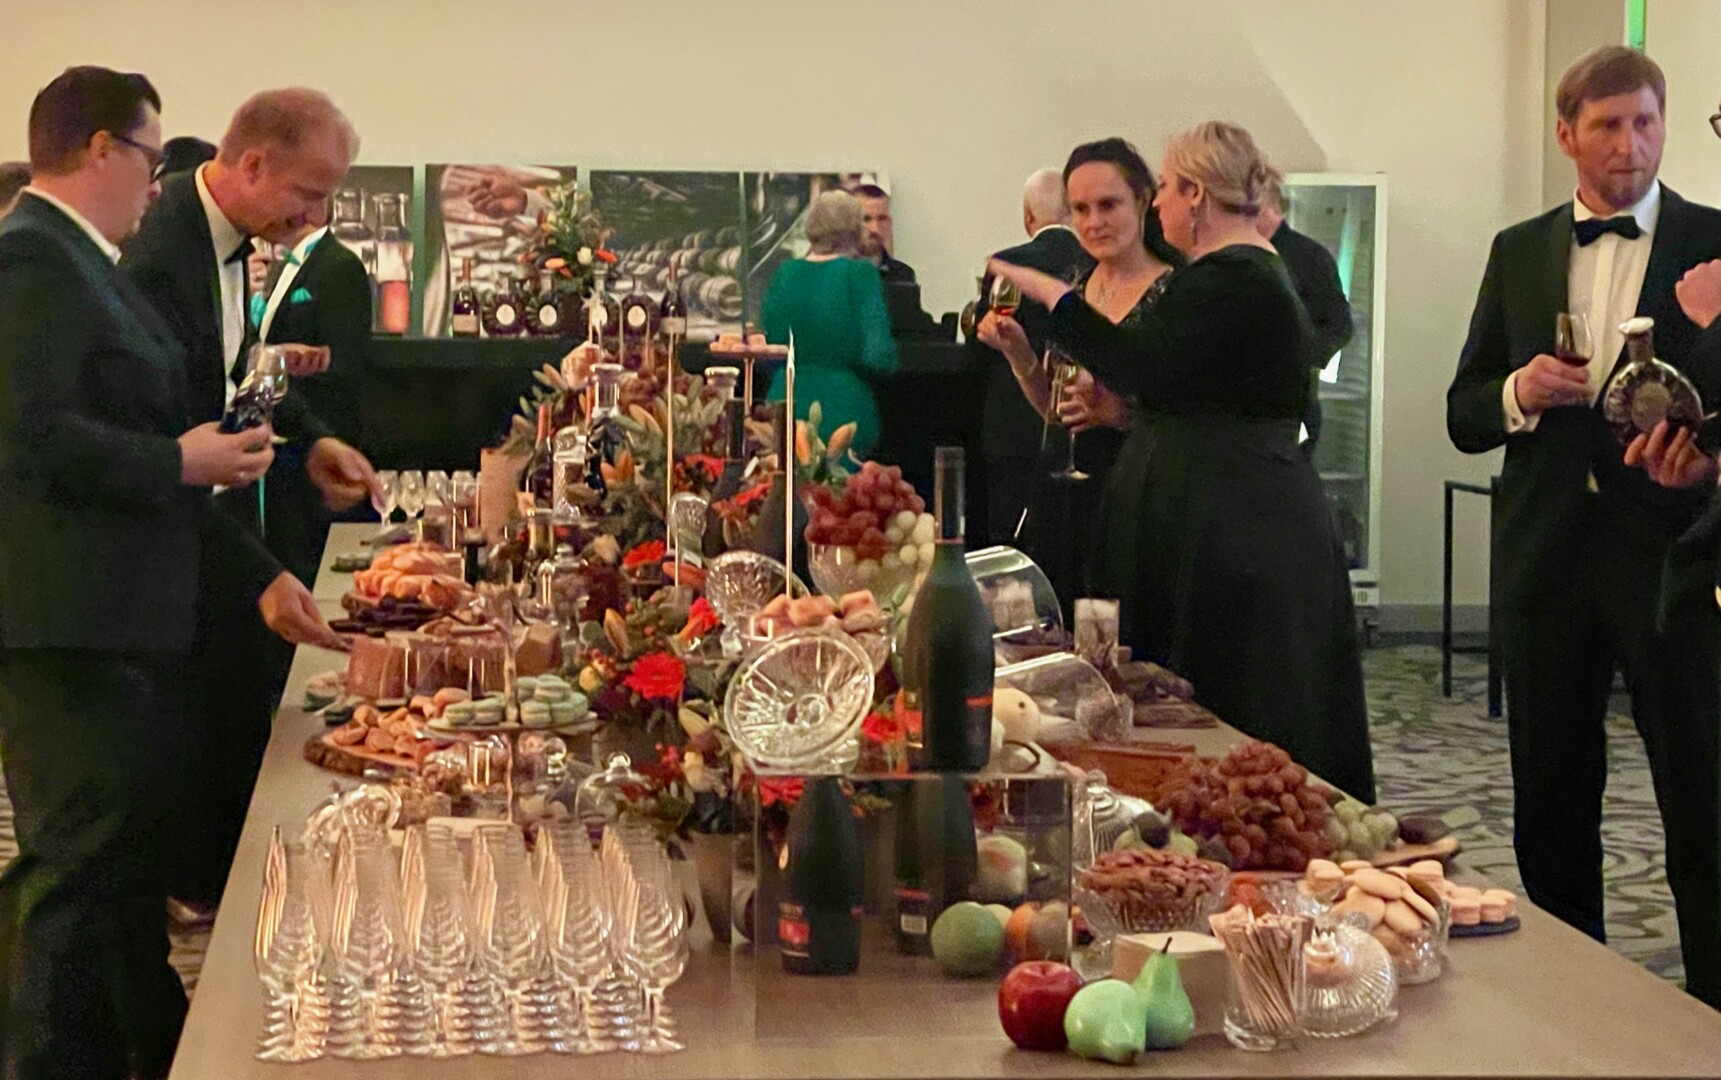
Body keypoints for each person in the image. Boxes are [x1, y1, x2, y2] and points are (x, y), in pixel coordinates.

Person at [0, 66, 340, 1080]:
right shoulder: (33, 259)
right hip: (70, 618)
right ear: (101, 148)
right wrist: (176, 462)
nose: (159, 183)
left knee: (112, 867)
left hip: (118, 610)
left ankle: (133, 1049)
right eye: (150, 159)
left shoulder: (84, 259)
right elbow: (27, 436)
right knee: (72, 874)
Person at [1447, 46, 1721, 1008]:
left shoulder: (1715, 241)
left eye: (1645, 122)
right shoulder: (1517, 250)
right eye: (1606, 125)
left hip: (1672, 562)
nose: (1629, 144)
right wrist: (1517, 393)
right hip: (1547, 560)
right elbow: (1463, 410)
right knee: (1550, 800)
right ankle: (1573, 1006)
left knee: (1701, 795)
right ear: (1565, 134)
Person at [990, 121, 1375, 802]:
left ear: (1195, 194)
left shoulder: (1235, 276)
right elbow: (1175, 383)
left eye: (1165, 187)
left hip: (1237, 527)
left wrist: (1055, 299)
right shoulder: (1233, 274)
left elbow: (1141, 364)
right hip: (1222, 511)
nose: (1161, 203)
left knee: (1237, 711)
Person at [121, 87, 380, 920]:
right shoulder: (160, 253)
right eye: (307, 193)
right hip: (163, 543)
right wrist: (257, 573)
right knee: (191, 732)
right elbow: (168, 436)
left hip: (217, 524)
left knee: (235, 707)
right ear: (254, 164)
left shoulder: (232, 240)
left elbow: (245, 370)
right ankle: (193, 899)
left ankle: (216, 888)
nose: (314, 215)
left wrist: (313, 441)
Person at [978, 139, 1178, 616]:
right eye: (1081, 209)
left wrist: (1118, 414)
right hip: (1064, 492)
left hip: (1136, 497)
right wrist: (1020, 355)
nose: (1093, 222)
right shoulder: (1080, 283)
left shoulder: (1175, 291)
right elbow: (1054, 410)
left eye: (1108, 205)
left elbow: (1188, 415)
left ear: (1142, 201)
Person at [971, 167, 1095, 548]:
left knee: (1008, 539)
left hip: (1011, 423)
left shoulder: (1007, 264)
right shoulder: (1095, 263)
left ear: (1028, 217)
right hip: (1078, 421)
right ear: (1071, 212)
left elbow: (981, 344)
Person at [257, 216, 373, 585]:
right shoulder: (278, 268)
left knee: (313, 569)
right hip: (277, 444)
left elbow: (345, 366)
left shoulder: (340, 265)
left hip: (314, 444)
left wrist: (320, 438)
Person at [761, 189, 898, 455]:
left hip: (784, 404)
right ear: (854, 230)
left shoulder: (785, 272)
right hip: (842, 409)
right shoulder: (860, 274)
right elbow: (879, 355)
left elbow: (771, 346)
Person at [1255, 168, 1354, 456]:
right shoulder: (1237, 256)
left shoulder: (1308, 257)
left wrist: (1295, 356)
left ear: (1269, 205)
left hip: (1291, 407)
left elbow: (1339, 325)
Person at [854, 182, 916, 285]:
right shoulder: (834, 274)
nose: (875, 229)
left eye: (882, 219)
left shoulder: (903, 275)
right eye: (866, 219)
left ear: (889, 222)